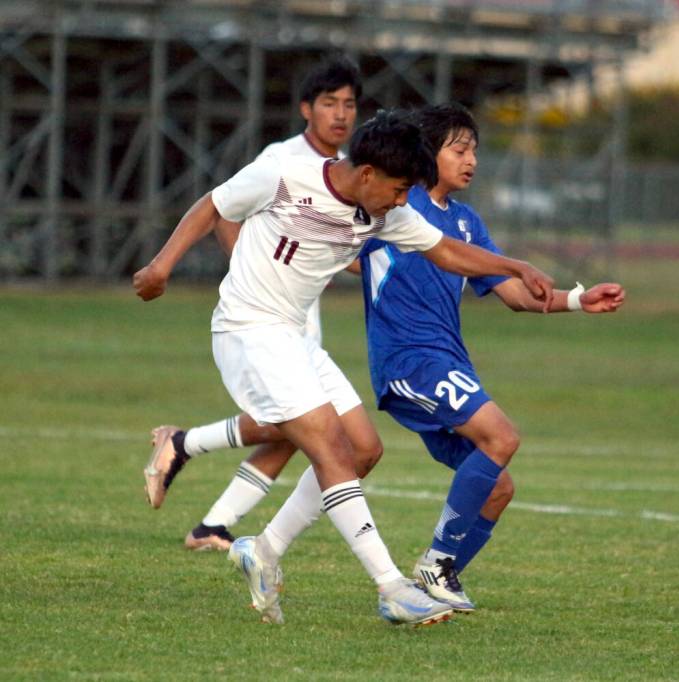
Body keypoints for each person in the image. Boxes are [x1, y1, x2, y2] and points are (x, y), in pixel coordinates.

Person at [132, 109, 555, 626]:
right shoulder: (286, 174)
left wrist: (515, 265)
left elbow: (446, 252)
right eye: (399, 190)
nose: (403, 203)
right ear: (368, 173)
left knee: (362, 449)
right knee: (329, 445)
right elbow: (212, 206)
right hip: (247, 329)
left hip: (294, 335)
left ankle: (262, 551)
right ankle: (393, 587)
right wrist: (161, 266)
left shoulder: (386, 211)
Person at [244, 103, 625, 615]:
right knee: (503, 437)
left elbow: (514, 294)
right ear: (427, 153)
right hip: (409, 362)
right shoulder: (395, 205)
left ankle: (429, 583)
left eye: (475, 152)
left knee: (497, 487)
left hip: (451, 364)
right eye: (459, 149)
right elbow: (343, 236)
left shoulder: (467, 223)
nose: (471, 161)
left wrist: (578, 300)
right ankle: (433, 566)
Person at [142, 55, 368, 553]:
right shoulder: (282, 157)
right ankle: (184, 446)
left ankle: (212, 525)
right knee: (301, 425)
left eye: (349, 104)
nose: (341, 114)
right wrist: (254, 268)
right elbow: (224, 210)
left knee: (298, 430)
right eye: (330, 103)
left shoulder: (353, 170)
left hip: (301, 315)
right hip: (268, 314)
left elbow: (341, 243)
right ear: (306, 108)